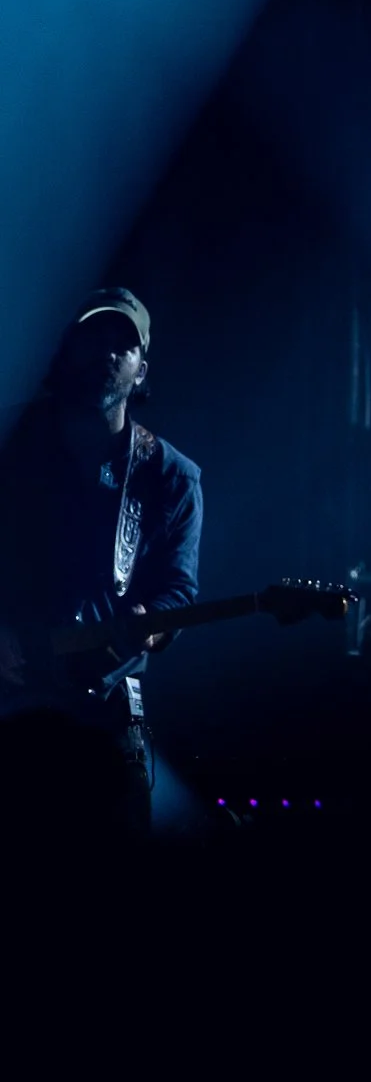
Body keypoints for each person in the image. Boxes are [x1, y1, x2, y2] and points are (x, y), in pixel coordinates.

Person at [0, 289, 202, 822]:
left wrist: (148, 625)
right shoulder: (11, 444)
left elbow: (178, 591)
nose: (107, 354)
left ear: (141, 369)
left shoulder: (171, 476)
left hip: (103, 706)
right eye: (94, 339)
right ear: (67, 349)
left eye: (122, 345)